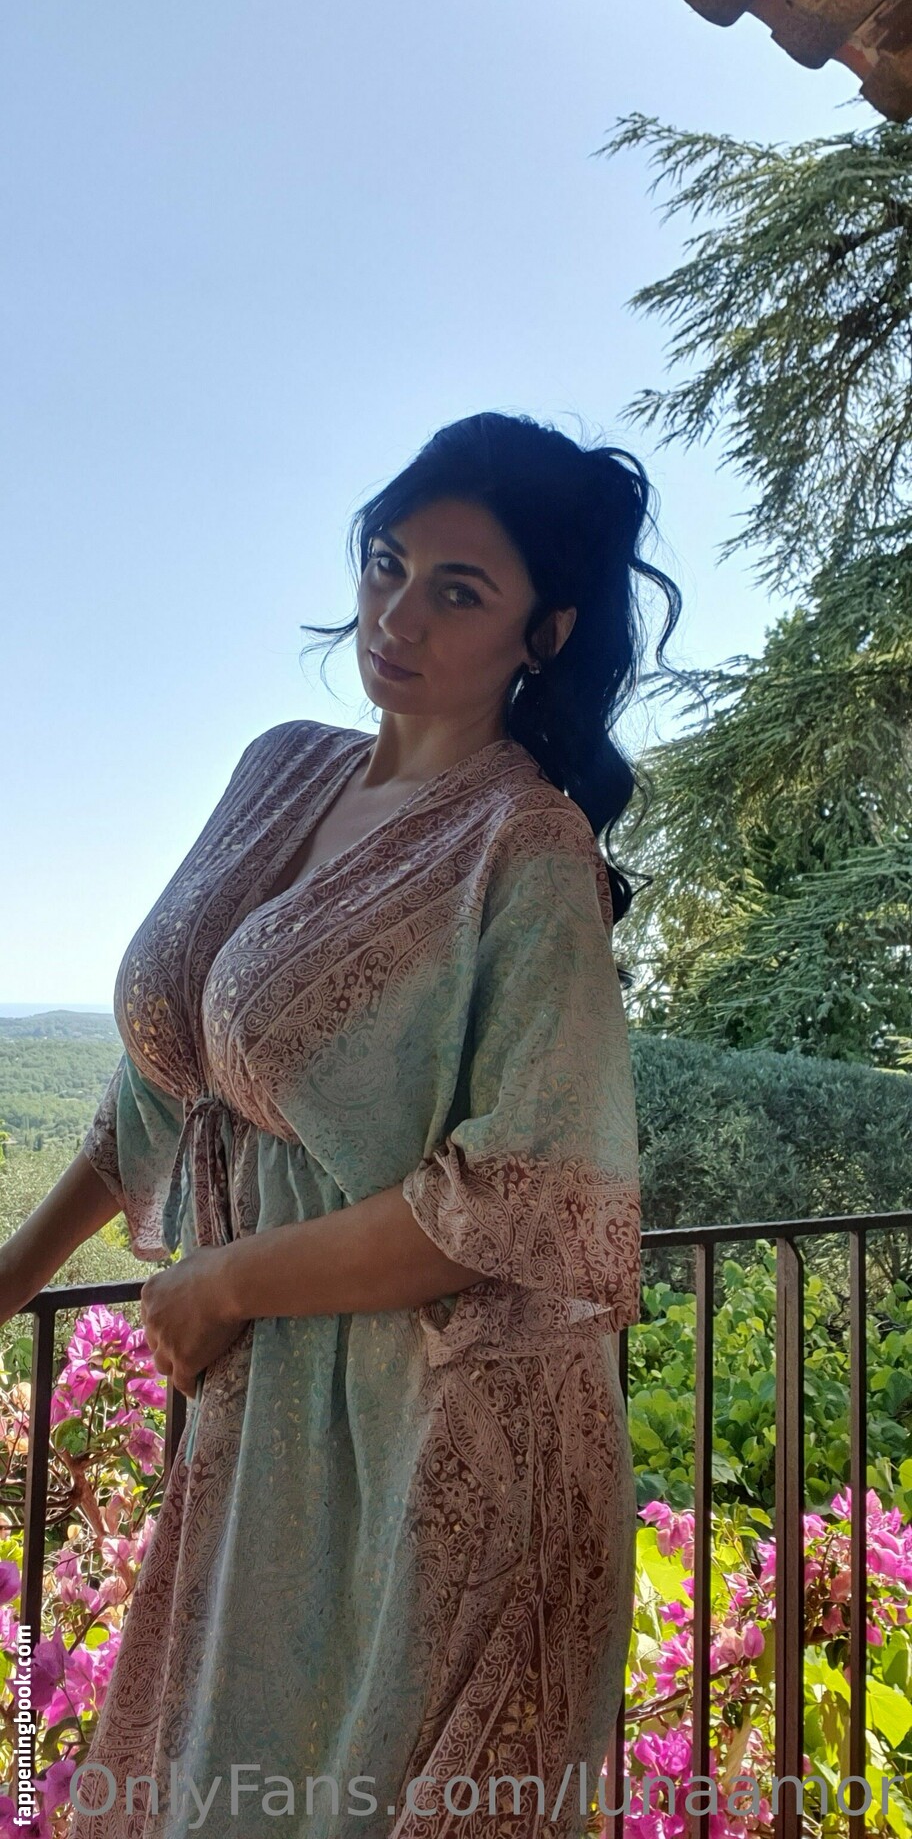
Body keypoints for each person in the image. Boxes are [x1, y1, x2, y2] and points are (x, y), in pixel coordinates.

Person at [1, 410, 682, 1838]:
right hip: (272, 1432)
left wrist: (225, 1283)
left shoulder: (526, 848)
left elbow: (527, 1200)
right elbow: (162, 1083)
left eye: (458, 590)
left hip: (443, 1440)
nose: (397, 615)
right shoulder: (281, 770)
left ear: (544, 632)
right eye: (387, 563)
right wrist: (11, 1277)